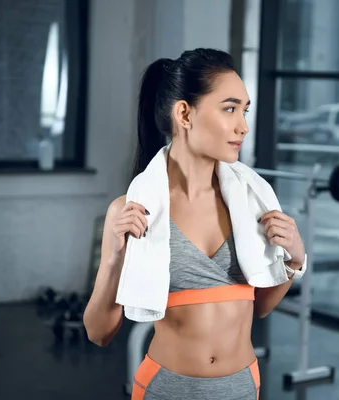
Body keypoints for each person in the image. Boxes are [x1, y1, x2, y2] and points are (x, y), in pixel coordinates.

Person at [83, 48, 307, 400]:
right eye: (230, 108)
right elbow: (99, 333)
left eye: (244, 111)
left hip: (242, 389)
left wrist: (294, 259)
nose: (243, 126)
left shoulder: (253, 202)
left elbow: (260, 306)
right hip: (166, 389)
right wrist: (114, 257)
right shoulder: (132, 210)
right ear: (185, 114)